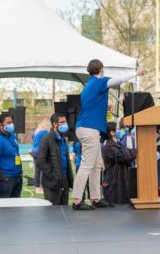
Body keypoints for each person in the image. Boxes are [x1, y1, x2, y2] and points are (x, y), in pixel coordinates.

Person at [71, 59, 146, 211]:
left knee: (97, 165)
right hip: (89, 129)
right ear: (101, 69)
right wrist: (136, 73)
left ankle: (96, 198)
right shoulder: (99, 82)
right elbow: (118, 80)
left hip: (86, 128)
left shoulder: (88, 86)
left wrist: (104, 106)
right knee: (87, 164)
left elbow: (90, 106)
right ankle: (77, 200)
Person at [36, 113, 74, 205]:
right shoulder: (46, 139)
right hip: (52, 184)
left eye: (65, 122)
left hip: (64, 182)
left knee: (64, 212)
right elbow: (40, 161)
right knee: (53, 213)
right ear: (55, 124)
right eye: (62, 122)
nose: (65, 124)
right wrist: (53, 175)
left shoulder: (63, 139)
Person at [0, 113, 23, 198]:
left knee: (15, 208)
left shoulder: (12, 136)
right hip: (5, 181)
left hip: (17, 178)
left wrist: (20, 172)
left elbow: (16, 154)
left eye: (12, 122)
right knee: (3, 209)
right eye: (8, 122)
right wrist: (4, 178)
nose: (11, 125)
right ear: (1, 125)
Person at [102, 121, 136, 204]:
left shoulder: (117, 143)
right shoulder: (109, 146)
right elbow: (124, 157)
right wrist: (138, 150)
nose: (121, 130)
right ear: (112, 132)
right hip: (114, 184)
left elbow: (127, 153)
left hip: (120, 182)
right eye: (118, 129)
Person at [30, 119, 50, 194]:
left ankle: (37, 187)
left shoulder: (37, 131)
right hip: (40, 151)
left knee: (37, 170)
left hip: (34, 151)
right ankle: (41, 187)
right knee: (42, 170)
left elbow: (32, 138)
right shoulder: (44, 132)